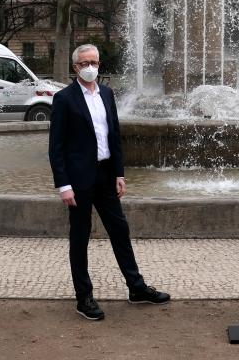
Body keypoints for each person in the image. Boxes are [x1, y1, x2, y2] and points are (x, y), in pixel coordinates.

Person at [49, 43, 170, 321]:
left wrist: (119, 173)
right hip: (79, 181)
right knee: (79, 239)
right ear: (75, 67)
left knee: (120, 231)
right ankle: (84, 298)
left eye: (94, 62)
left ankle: (136, 289)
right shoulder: (64, 99)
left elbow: (114, 135)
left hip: (105, 176)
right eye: (84, 63)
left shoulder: (106, 93)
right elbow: (56, 146)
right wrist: (63, 185)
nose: (90, 67)